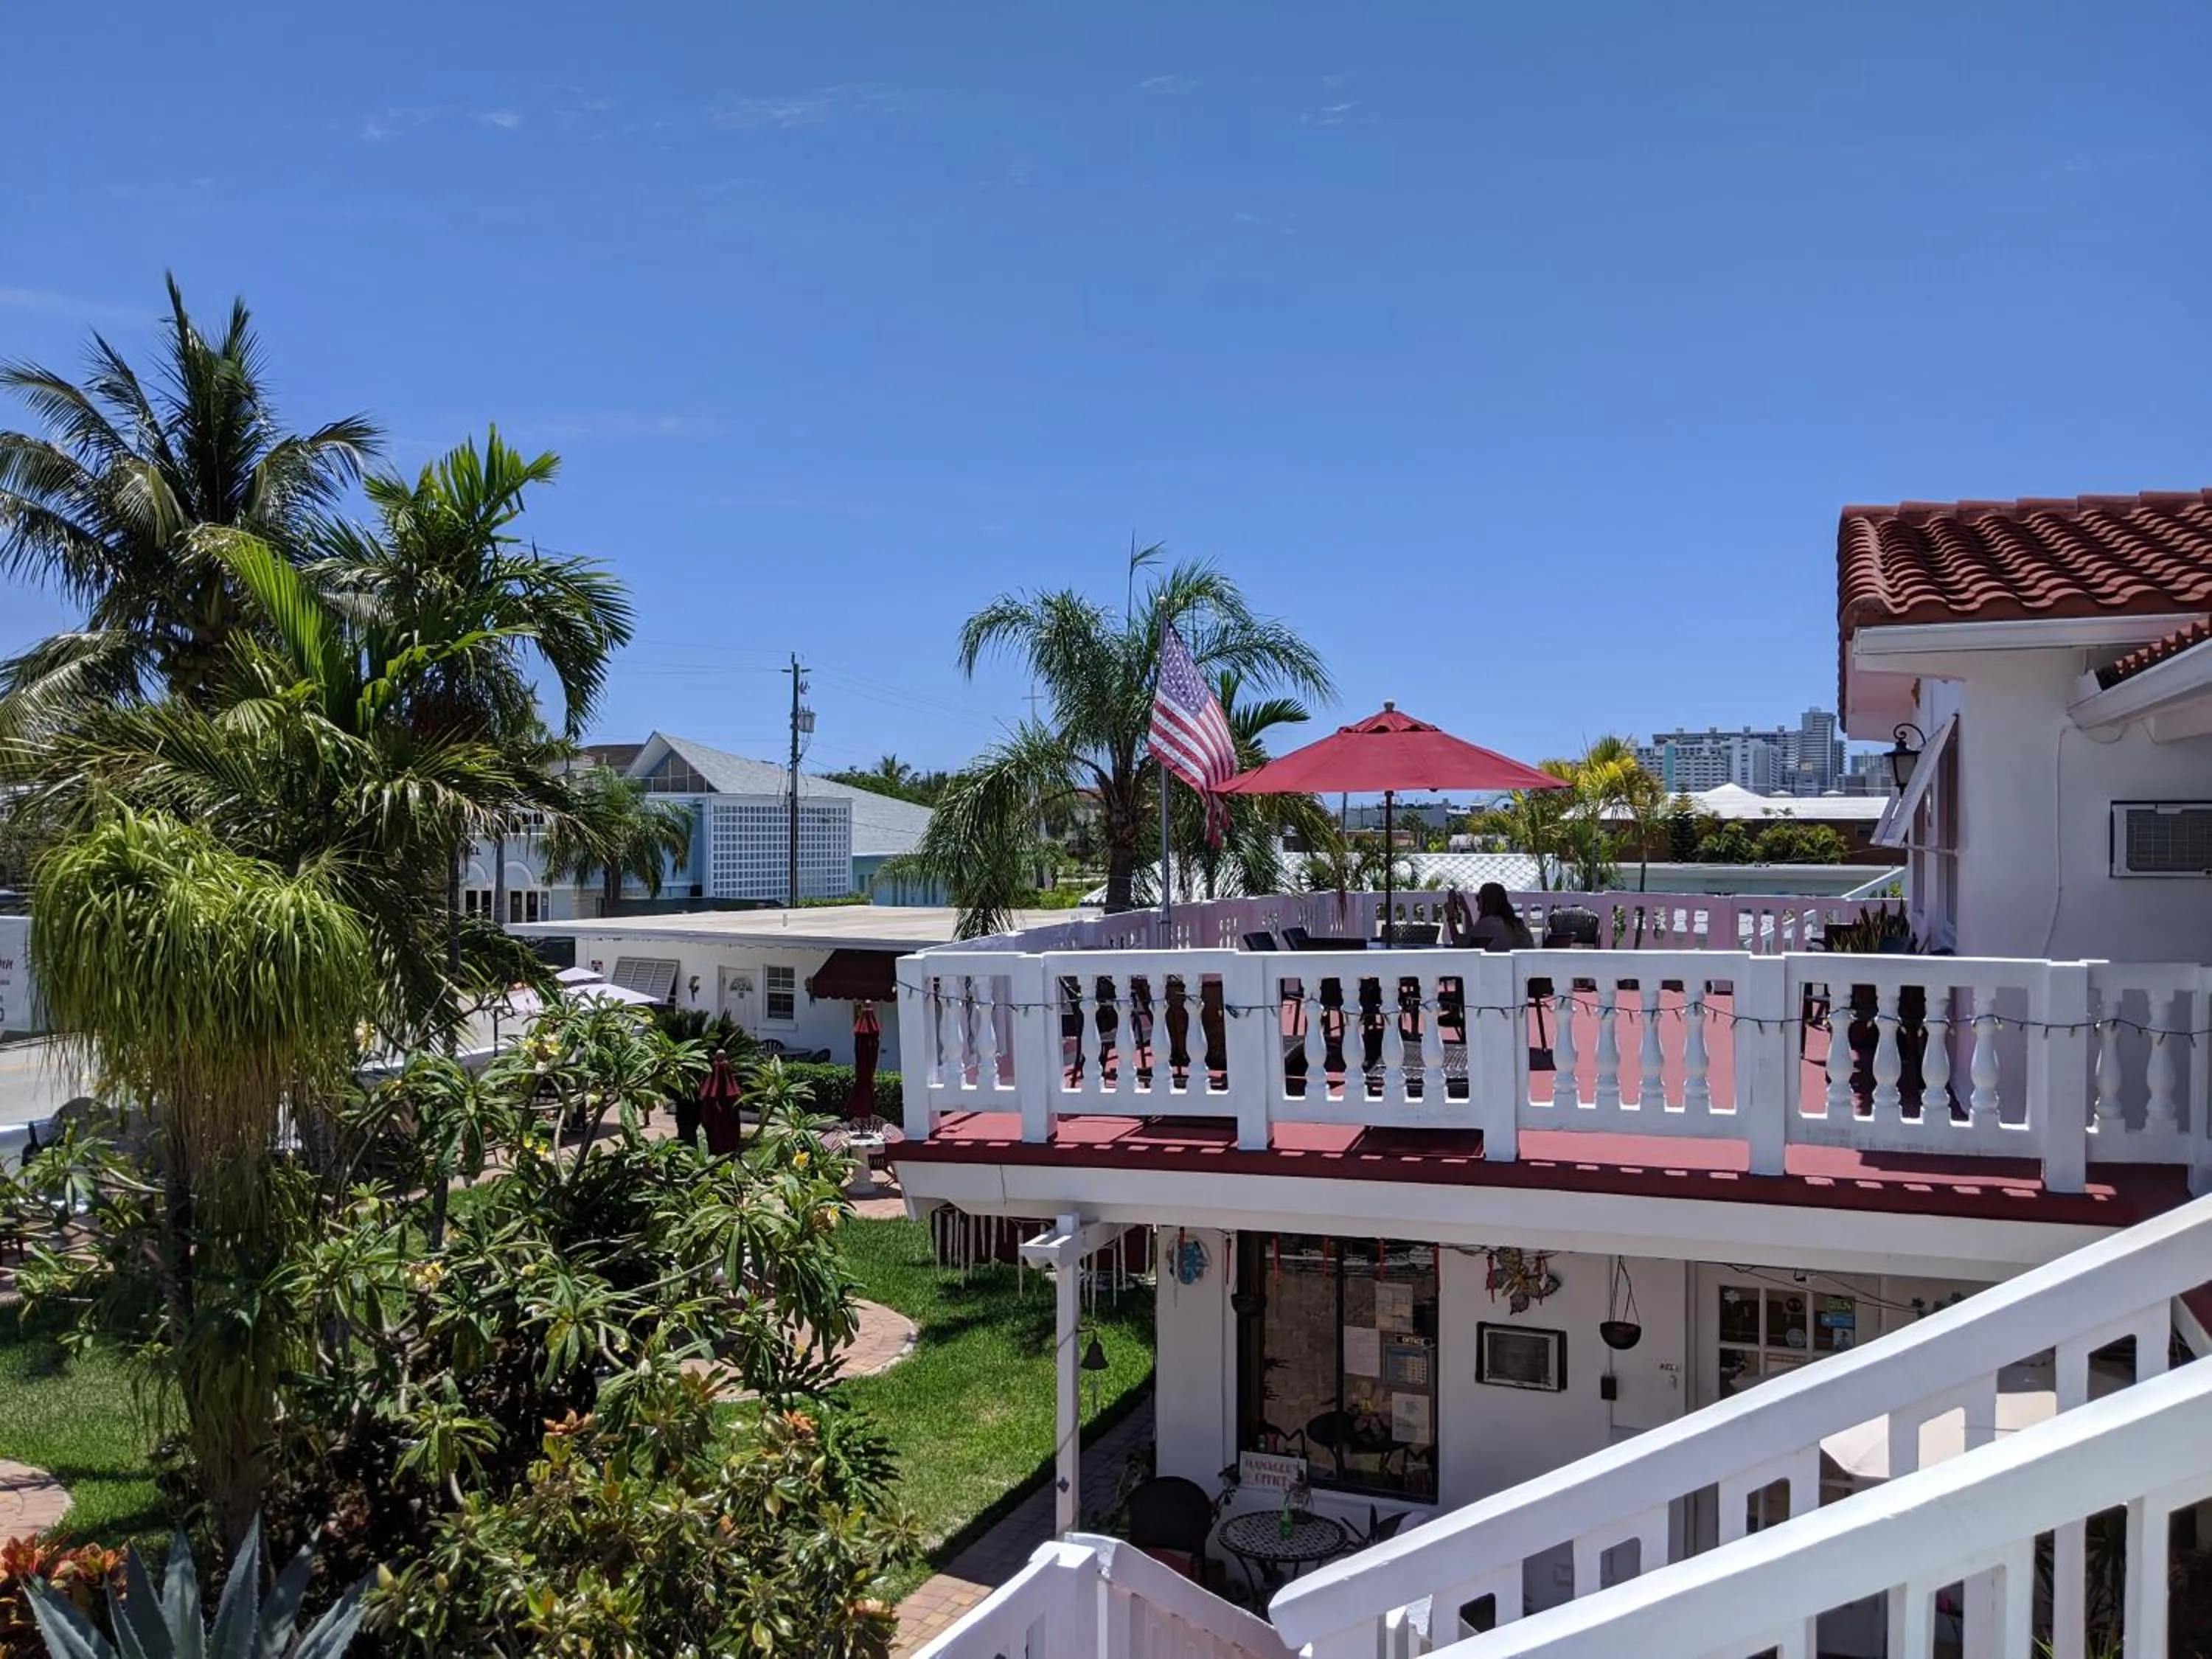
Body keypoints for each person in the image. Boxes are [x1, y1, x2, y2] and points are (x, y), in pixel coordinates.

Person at [1467, 883, 1534, 952]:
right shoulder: (1518, 925)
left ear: (1486, 901)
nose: (1477, 901)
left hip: (1501, 962)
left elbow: (1462, 945)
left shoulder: (1489, 924)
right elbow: (1470, 937)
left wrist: (1456, 918)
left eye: (1478, 898)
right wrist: (1466, 913)